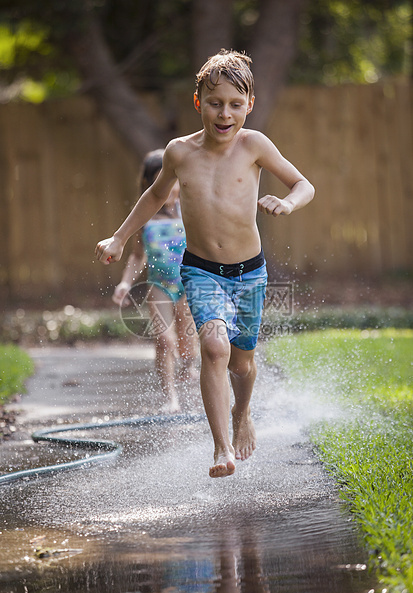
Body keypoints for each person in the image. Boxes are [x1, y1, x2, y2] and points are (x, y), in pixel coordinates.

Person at [95, 49, 315, 478]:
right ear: (198, 103)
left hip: (249, 271)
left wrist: (287, 202)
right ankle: (221, 449)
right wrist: (120, 237)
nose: (225, 113)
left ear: (249, 106)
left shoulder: (255, 145)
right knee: (214, 348)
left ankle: (242, 413)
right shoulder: (180, 153)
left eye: (236, 104)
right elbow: (155, 196)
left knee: (243, 363)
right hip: (199, 269)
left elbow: (304, 183)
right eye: (215, 103)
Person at [112, 149, 197, 414]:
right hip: (159, 286)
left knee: (188, 345)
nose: (168, 185)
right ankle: (170, 398)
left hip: (189, 283)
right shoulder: (144, 216)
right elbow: (137, 256)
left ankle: (189, 368)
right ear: (150, 184)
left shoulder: (190, 207)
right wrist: (126, 283)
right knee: (164, 341)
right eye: (160, 179)